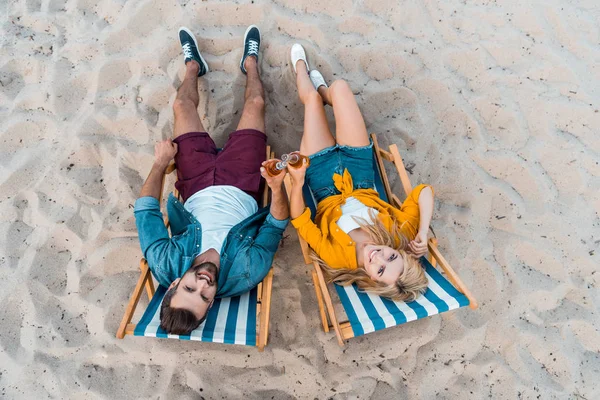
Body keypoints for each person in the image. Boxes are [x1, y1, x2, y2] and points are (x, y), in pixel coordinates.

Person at [134, 26, 289, 335]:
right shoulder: (248, 272)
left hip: (194, 181)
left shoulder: (165, 263)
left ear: (174, 285)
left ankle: (193, 67)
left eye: (189, 288)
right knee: (256, 103)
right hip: (242, 181)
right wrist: (275, 189)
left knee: (180, 106)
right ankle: (251, 63)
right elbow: (276, 224)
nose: (203, 284)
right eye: (204, 297)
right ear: (211, 304)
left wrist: (160, 163)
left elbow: (145, 209)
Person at [286, 44, 434, 302]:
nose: (378, 256)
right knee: (341, 87)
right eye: (392, 257)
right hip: (360, 170)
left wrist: (298, 184)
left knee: (310, 103)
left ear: (372, 281)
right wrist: (423, 230)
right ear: (400, 253)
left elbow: (300, 220)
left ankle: (300, 68)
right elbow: (424, 191)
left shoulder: (337, 257)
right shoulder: (402, 235)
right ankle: (325, 91)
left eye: (379, 269)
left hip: (321, 178)